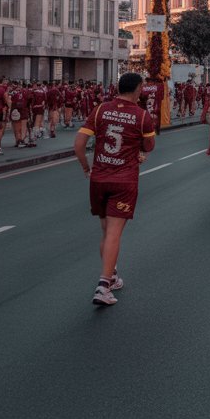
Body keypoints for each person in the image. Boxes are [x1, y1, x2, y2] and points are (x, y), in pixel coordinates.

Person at [74, 72, 156, 306]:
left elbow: (79, 144)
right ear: (138, 89)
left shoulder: (100, 109)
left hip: (99, 178)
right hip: (124, 180)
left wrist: (86, 167)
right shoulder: (142, 115)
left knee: (106, 231)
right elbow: (149, 145)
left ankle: (112, 276)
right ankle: (103, 286)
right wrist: (139, 152)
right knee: (113, 233)